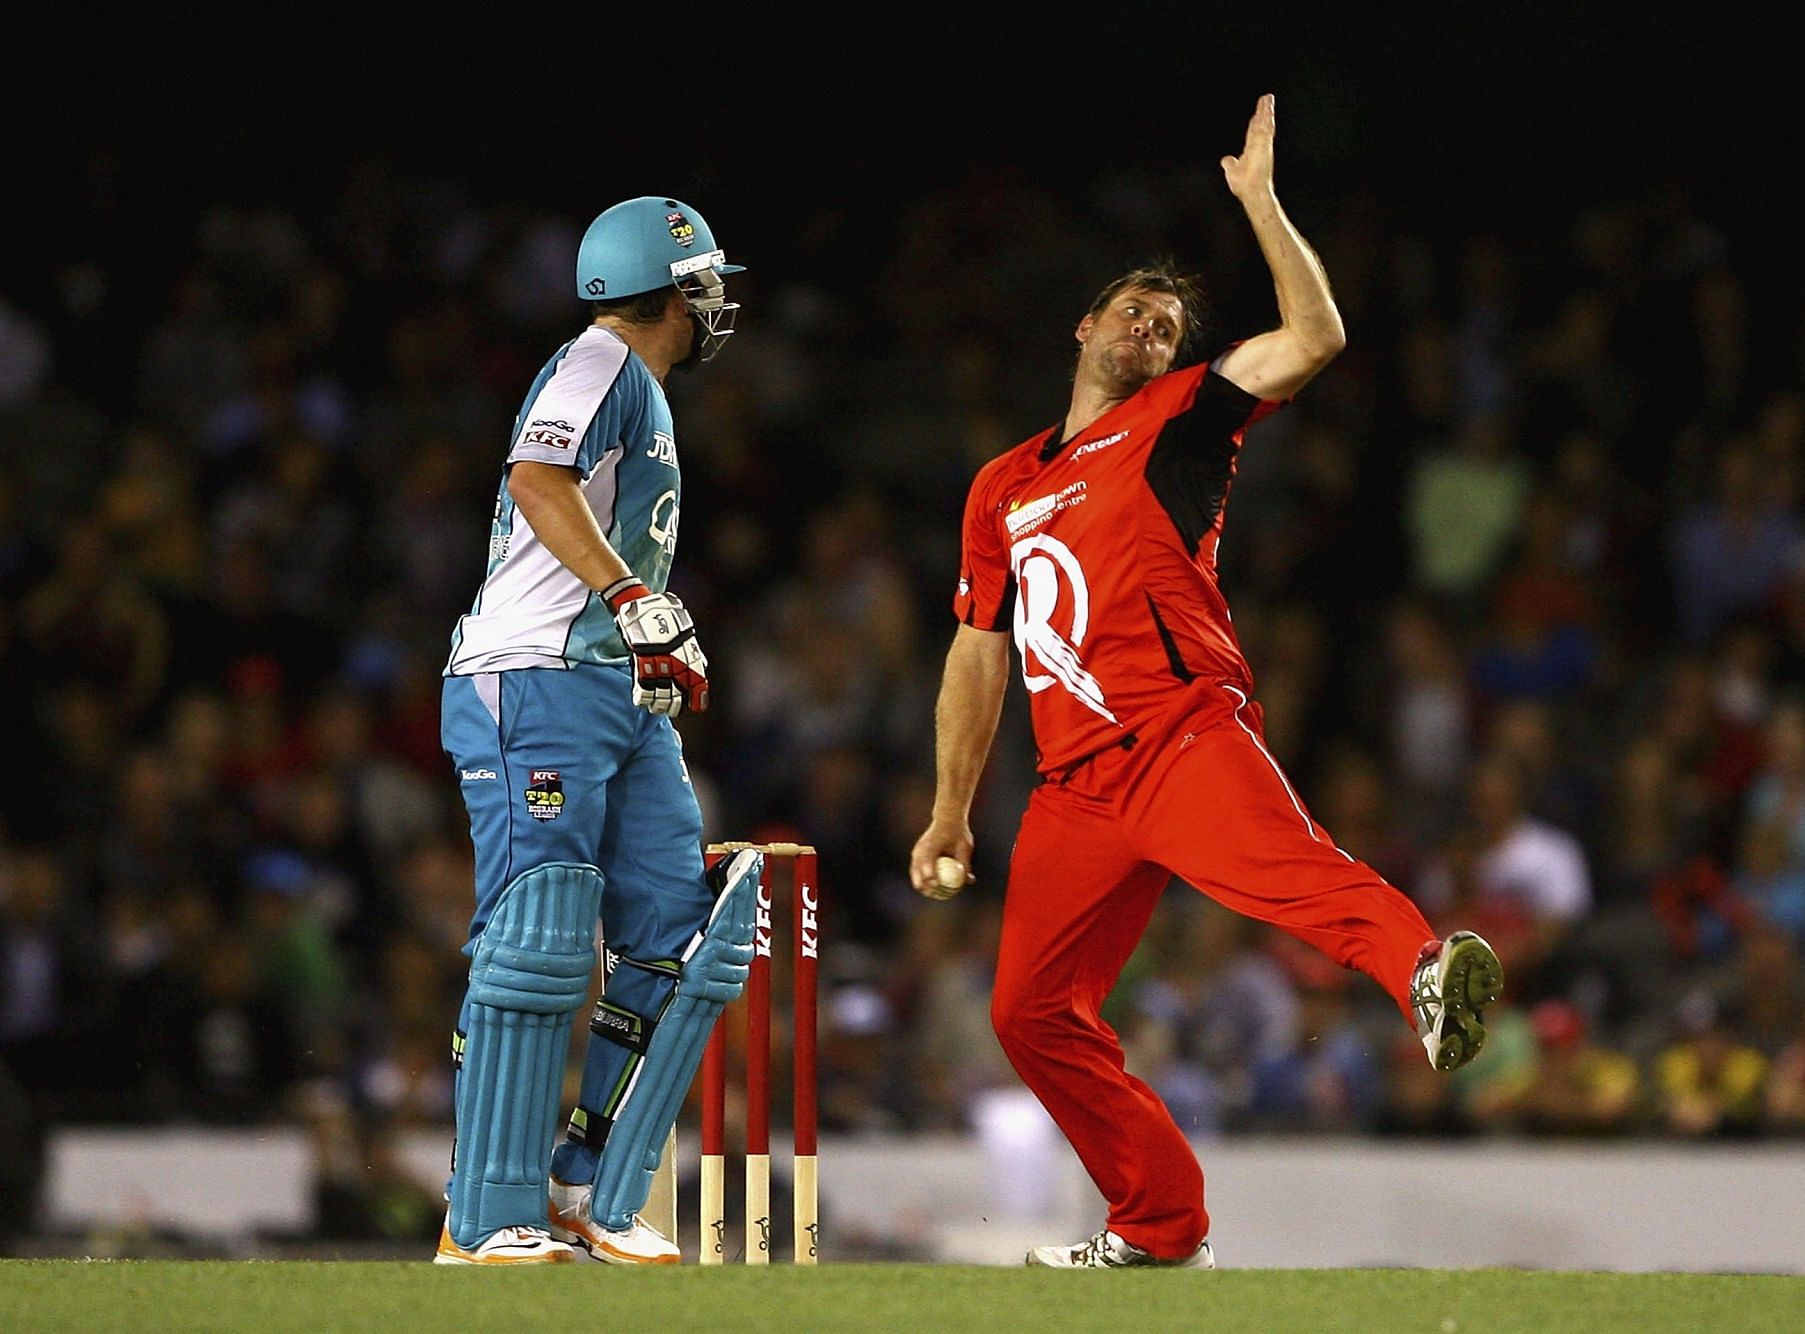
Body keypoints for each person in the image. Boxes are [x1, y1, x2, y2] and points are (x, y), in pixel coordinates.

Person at [907, 95, 1504, 1270]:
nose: (1148, 326)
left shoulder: (1183, 418)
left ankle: (1429, 974)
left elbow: (1315, 336)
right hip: (1074, 787)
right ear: (1083, 326)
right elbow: (978, 648)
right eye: (1134, 308)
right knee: (1027, 1013)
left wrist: (1263, 208)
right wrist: (947, 812)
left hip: (1181, 736)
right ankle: (1160, 1225)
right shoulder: (1000, 486)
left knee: (1302, 878)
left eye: (1168, 322)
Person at [434, 196, 762, 1265]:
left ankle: (585, 1180)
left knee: (678, 927)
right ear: (676, 289)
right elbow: (536, 477)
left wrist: (653, 636)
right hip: (531, 676)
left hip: (609, 685)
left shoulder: (643, 391)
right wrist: (630, 598)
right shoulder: (600, 358)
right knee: (538, 937)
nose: (719, 303)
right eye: (708, 281)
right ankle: (486, 1210)